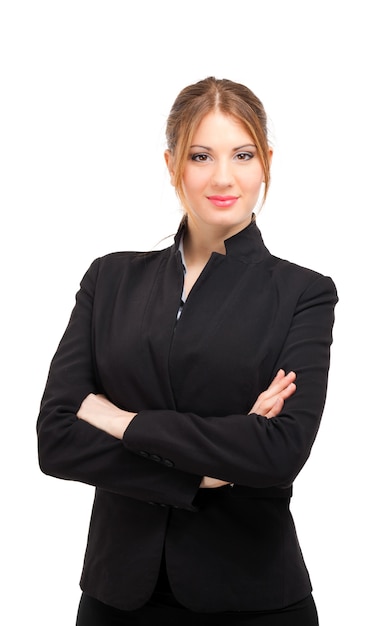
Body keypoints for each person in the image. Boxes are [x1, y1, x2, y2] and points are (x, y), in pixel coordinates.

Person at [37, 76, 338, 626]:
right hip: (116, 598)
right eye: (202, 156)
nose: (223, 177)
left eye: (242, 154)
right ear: (173, 163)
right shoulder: (110, 280)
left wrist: (117, 418)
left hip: (253, 598)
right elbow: (56, 439)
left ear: (266, 161)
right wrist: (204, 473)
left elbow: (277, 452)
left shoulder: (304, 293)